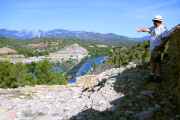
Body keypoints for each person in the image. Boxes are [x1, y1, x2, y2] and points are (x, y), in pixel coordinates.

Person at [135, 15, 169, 83]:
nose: (154, 22)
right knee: (158, 62)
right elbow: (147, 29)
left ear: (159, 21)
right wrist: (141, 29)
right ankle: (158, 76)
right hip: (154, 48)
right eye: (153, 21)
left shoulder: (162, 28)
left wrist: (159, 46)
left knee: (152, 60)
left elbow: (167, 38)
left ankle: (152, 75)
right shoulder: (153, 28)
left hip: (158, 48)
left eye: (155, 21)